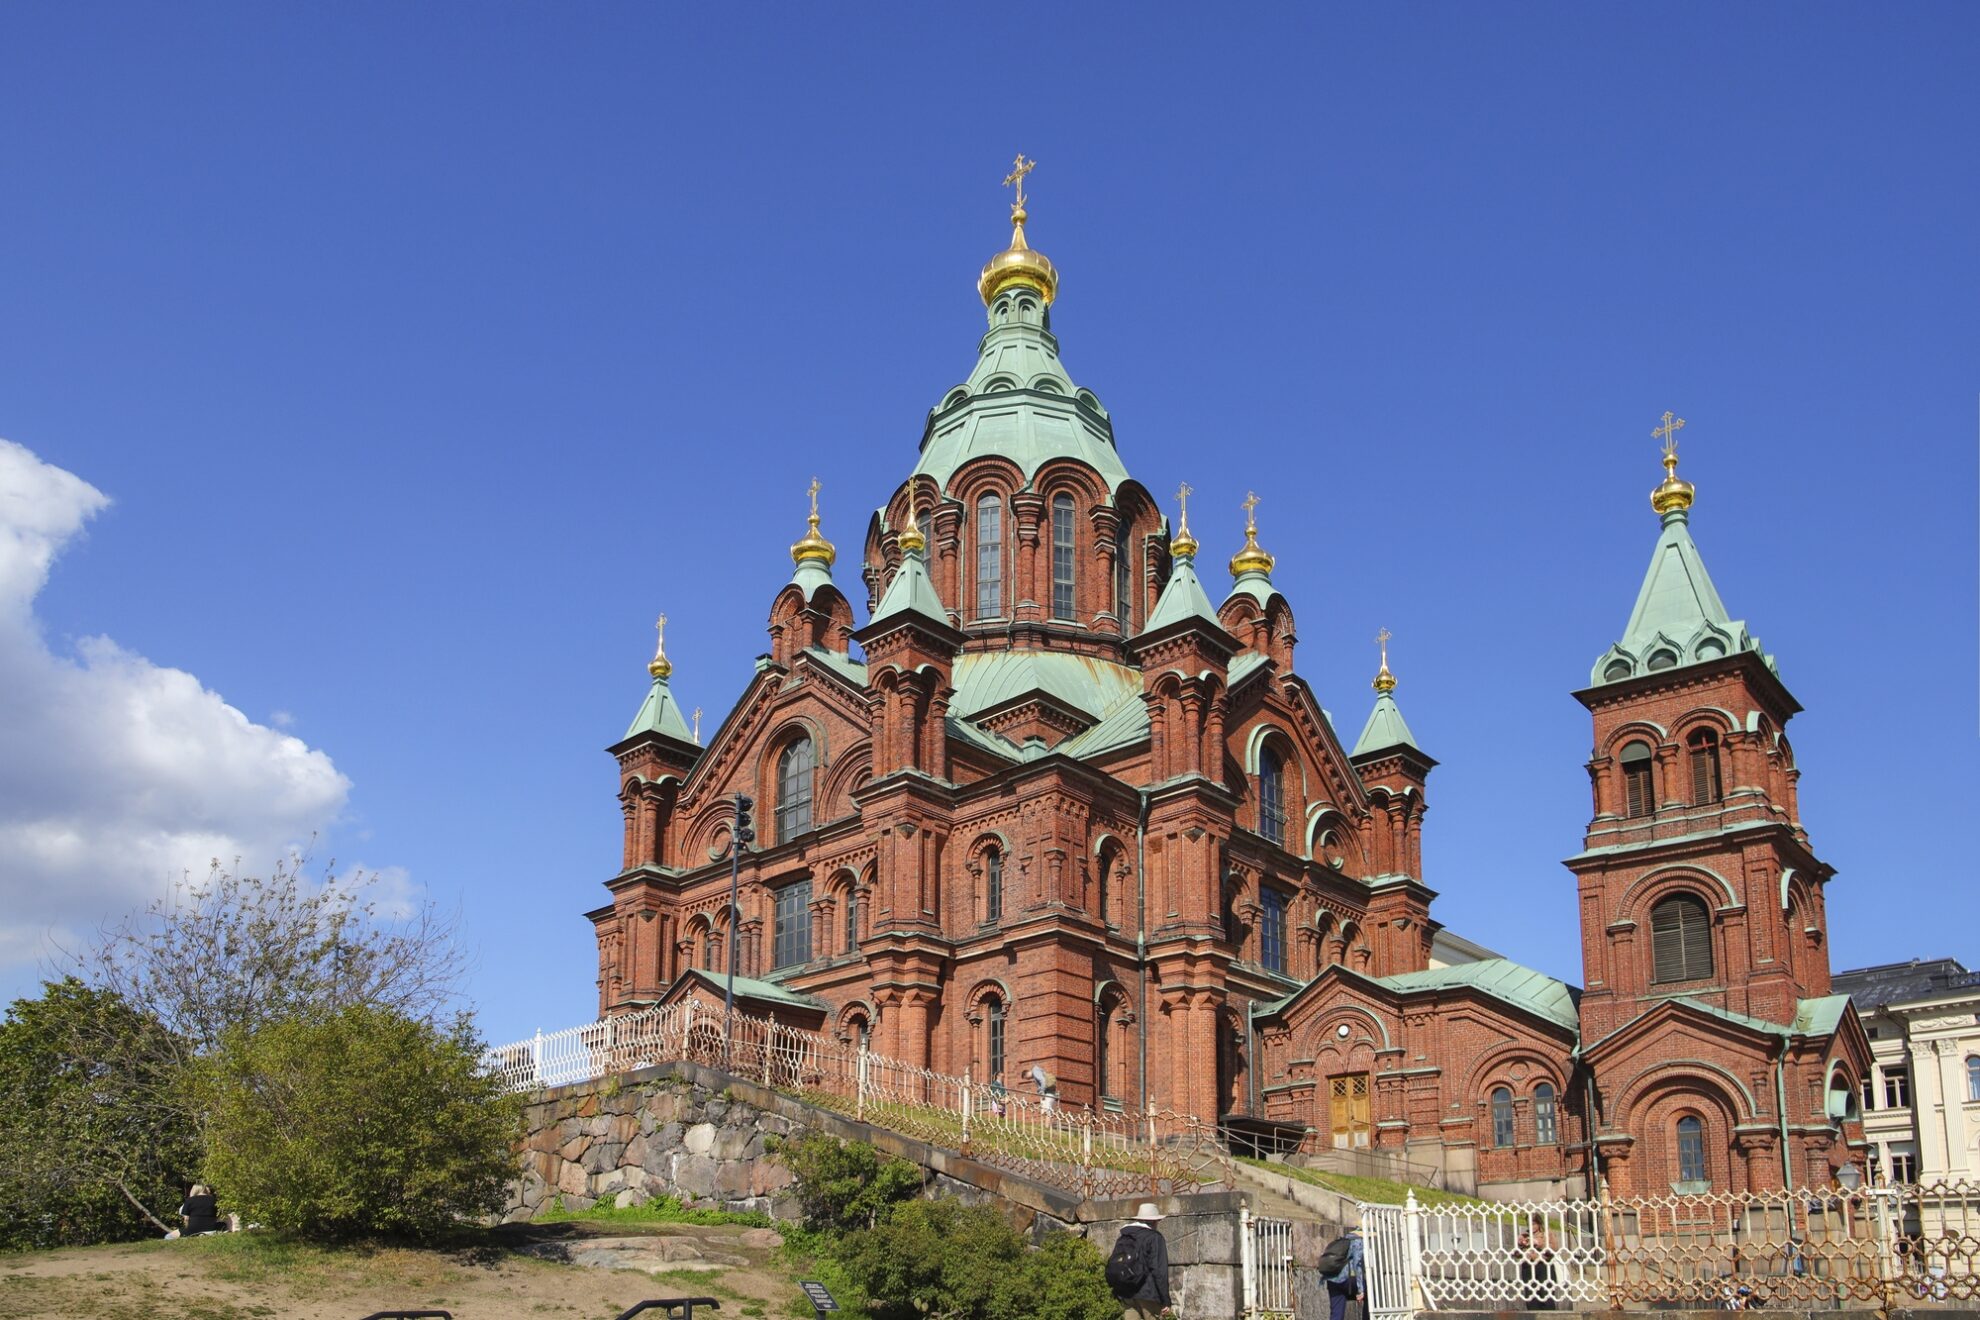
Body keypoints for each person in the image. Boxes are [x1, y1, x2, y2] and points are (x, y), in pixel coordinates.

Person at [1107, 1202, 1173, 1320]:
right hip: (1148, 1294)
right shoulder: (1154, 1238)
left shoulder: (1125, 1236)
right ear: (1154, 1221)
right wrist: (1165, 1300)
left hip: (1127, 1293)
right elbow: (1159, 1271)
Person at [1326, 1224, 1364, 1320]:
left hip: (1332, 1279)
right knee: (1372, 1291)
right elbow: (1357, 1265)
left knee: (1336, 1315)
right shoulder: (1358, 1241)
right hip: (1347, 1279)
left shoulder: (1341, 1241)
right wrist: (1361, 1290)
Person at [1517, 1227, 1556, 1310]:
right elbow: (1516, 1254)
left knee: (1546, 1296)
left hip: (1544, 1267)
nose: (1531, 1225)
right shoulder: (1524, 1235)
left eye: (1534, 1223)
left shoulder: (1546, 1233)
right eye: (1529, 1223)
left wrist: (1539, 1243)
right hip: (1528, 1267)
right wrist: (1521, 1245)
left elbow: (1554, 1249)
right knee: (1531, 1298)